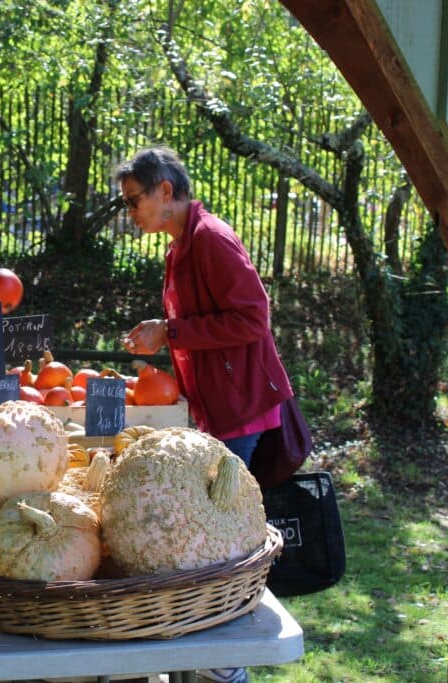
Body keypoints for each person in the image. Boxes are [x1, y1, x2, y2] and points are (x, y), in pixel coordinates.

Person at [117, 147, 294, 683]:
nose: (131, 214)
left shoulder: (211, 238)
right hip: (215, 409)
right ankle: (202, 654)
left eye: (134, 202)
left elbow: (252, 319)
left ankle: (226, 661)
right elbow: (201, 320)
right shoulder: (180, 243)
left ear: (165, 192)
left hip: (239, 411)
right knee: (206, 531)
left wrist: (169, 333)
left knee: (220, 536)